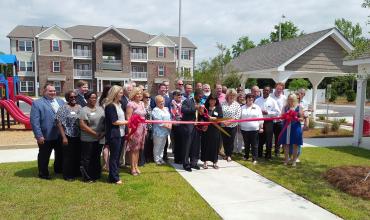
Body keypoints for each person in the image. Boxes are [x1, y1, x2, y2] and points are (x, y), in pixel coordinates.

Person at [30, 83, 64, 180]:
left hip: (59, 134)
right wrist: (38, 136)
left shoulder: (61, 101)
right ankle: (43, 173)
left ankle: (58, 169)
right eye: (50, 91)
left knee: (60, 154)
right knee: (44, 156)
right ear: (44, 92)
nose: (53, 92)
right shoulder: (37, 103)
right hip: (45, 135)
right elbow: (34, 121)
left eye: (54, 90)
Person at [79, 91, 105, 182]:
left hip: (99, 138)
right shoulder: (84, 110)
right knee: (87, 158)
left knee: (96, 157)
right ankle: (87, 177)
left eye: (95, 98)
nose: (94, 99)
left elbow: (105, 121)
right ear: (86, 99)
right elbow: (82, 125)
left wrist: (103, 133)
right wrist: (95, 134)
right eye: (91, 98)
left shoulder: (100, 109)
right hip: (88, 139)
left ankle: (96, 175)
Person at [104, 85, 128, 184]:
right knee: (114, 157)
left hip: (121, 134)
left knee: (117, 156)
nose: (122, 95)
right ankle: (114, 178)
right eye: (120, 93)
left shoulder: (120, 104)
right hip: (114, 135)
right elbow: (114, 121)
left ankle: (113, 175)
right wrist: (128, 122)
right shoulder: (110, 106)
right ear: (115, 94)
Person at [56, 90, 81, 181]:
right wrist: (64, 137)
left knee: (77, 155)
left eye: (75, 97)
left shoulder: (79, 107)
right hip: (67, 135)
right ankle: (68, 175)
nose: (73, 98)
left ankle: (76, 172)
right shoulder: (63, 108)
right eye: (71, 97)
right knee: (68, 157)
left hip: (78, 136)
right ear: (67, 98)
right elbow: (59, 123)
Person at [181, 88, 204, 172]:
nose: (201, 98)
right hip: (188, 128)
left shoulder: (201, 103)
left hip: (197, 128)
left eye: (202, 97)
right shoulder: (187, 101)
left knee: (196, 146)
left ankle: (194, 163)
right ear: (195, 95)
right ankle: (186, 164)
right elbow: (183, 110)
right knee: (187, 146)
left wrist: (202, 115)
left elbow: (201, 116)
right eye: (199, 96)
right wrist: (195, 108)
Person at [255, 86, 281, 160]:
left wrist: (268, 112)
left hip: (268, 121)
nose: (265, 92)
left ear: (270, 92)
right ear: (262, 91)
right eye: (264, 90)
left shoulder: (273, 101)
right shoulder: (257, 100)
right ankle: (259, 154)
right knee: (259, 138)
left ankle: (268, 155)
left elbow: (277, 112)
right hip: (259, 121)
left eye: (267, 90)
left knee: (268, 139)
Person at [125, 87, 147, 176]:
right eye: (137, 93)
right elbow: (128, 118)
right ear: (133, 94)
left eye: (141, 94)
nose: (139, 95)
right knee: (133, 149)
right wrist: (130, 132)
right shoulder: (130, 104)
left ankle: (136, 166)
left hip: (142, 128)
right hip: (134, 129)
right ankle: (132, 168)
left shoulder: (142, 103)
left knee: (138, 149)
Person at [279, 94, 304, 166]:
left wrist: (295, 118)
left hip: (295, 127)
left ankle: (294, 161)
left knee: (295, 144)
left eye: (292, 99)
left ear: (295, 99)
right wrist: (285, 116)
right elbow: (281, 117)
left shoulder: (299, 107)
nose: (290, 101)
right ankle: (286, 160)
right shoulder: (285, 107)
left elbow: (302, 119)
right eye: (289, 99)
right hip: (286, 127)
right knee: (286, 144)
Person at [201, 93, 223, 169]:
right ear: (209, 100)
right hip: (206, 129)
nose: (212, 101)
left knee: (215, 146)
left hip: (215, 130)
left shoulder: (218, 108)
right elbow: (202, 117)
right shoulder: (205, 107)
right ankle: (205, 162)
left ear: (216, 100)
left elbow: (220, 118)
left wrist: (212, 118)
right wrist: (203, 125)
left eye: (214, 100)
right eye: (211, 100)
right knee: (205, 145)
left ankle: (215, 162)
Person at [240, 93, 263, 164]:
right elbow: (239, 117)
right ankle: (246, 156)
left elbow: (260, 117)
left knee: (254, 144)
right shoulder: (242, 107)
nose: (250, 99)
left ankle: (254, 158)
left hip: (254, 129)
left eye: (252, 98)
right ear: (246, 99)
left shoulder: (257, 107)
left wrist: (261, 127)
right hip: (244, 128)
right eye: (249, 98)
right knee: (246, 144)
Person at [221, 89, 241, 162]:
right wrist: (223, 122)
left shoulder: (237, 105)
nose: (231, 96)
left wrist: (229, 122)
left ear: (235, 96)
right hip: (223, 125)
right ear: (227, 95)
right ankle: (226, 154)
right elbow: (220, 114)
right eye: (230, 95)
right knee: (225, 140)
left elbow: (237, 116)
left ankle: (229, 155)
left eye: (233, 95)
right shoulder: (223, 103)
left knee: (231, 141)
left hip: (232, 126)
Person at [152, 95, 172, 164]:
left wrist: (170, 124)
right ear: (156, 102)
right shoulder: (155, 110)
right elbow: (158, 121)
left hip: (165, 131)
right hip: (158, 131)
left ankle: (161, 158)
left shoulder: (166, 108)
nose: (162, 103)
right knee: (157, 146)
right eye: (160, 102)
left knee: (163, 146)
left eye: (163, 101)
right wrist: (167, 126)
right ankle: (156, 159)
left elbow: (169, 118)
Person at [271, 82, 287, 157]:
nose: (279, 90)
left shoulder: (284, 98)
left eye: (280, 89)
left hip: (280, 121)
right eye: (278, 88)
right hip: (271, 120)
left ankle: (277, 151)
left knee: (278, 136)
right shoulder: (270, 97)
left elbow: (286, 108)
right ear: (275, 88)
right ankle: (268, 149)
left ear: (282, 89)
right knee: (270, 136)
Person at [119, 83, 133, 166]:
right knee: (123, 144)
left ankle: (127, 161)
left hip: (130, 124)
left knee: (128, 144)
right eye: (129, 89)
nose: (131, 91)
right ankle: (121, 162)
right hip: (124, 124)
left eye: (131, 89)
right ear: (124, 90)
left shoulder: (130, 99)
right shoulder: (122, 100)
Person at [98, 85, 111, 171]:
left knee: (107, 145)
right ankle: (106, 164)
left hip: (106, 124)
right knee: (106, 145)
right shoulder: (106, 100)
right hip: (107, 125)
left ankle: (105, 164)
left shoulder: (103, 100)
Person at [170, 90, 183, 164]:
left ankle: (181, 157)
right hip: (175, 125)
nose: (180, 96)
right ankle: (177, 158)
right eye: (178, 95)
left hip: (182, 125)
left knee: (181, 142)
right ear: (174, 96)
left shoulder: (183, 103)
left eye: (181, 95)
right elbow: (173, 113)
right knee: (176, 142)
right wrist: (175, 106)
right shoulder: (171, 103)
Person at [142, 91, 154, 163]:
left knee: (149, 143)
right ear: (143, 98)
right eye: (146, 97)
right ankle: (143, 159)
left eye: (149, 97)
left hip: (150, 127)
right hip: (144, 128)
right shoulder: (142, 106)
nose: (148, 99)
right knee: (144, 144)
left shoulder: (149, 106)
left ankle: (148, 158)